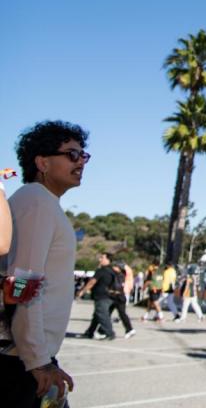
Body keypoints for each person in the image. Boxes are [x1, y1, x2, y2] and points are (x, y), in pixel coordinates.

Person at [2, 120, 88, 405]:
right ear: (43, 162)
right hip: (19, 361)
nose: (81, 161)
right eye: (72, 154)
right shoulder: (36, 200)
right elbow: (23, 279)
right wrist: (38, 361)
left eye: (83, 155)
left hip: (26, 356)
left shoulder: (43, 202)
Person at [76, 252, 117, 340]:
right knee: (97, 316)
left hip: (102, 296)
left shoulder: (102, 270)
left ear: (108, 260)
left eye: (102, 258)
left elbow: (92, 282)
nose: (100, 259)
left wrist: (82, 291)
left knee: (102, 315)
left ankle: (109, 333)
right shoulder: (113, 271)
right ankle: (89, 332)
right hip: (112, 297)